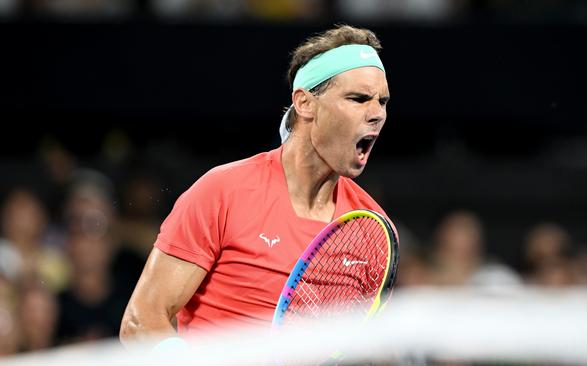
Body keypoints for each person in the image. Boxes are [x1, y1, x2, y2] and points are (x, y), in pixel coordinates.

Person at [120, 24, 393, 347]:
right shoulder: (223, 191)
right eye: (358, 98)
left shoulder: (373, 231)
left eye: (383, 101)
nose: (377, 113)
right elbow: (141, 321)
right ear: (305, 103)